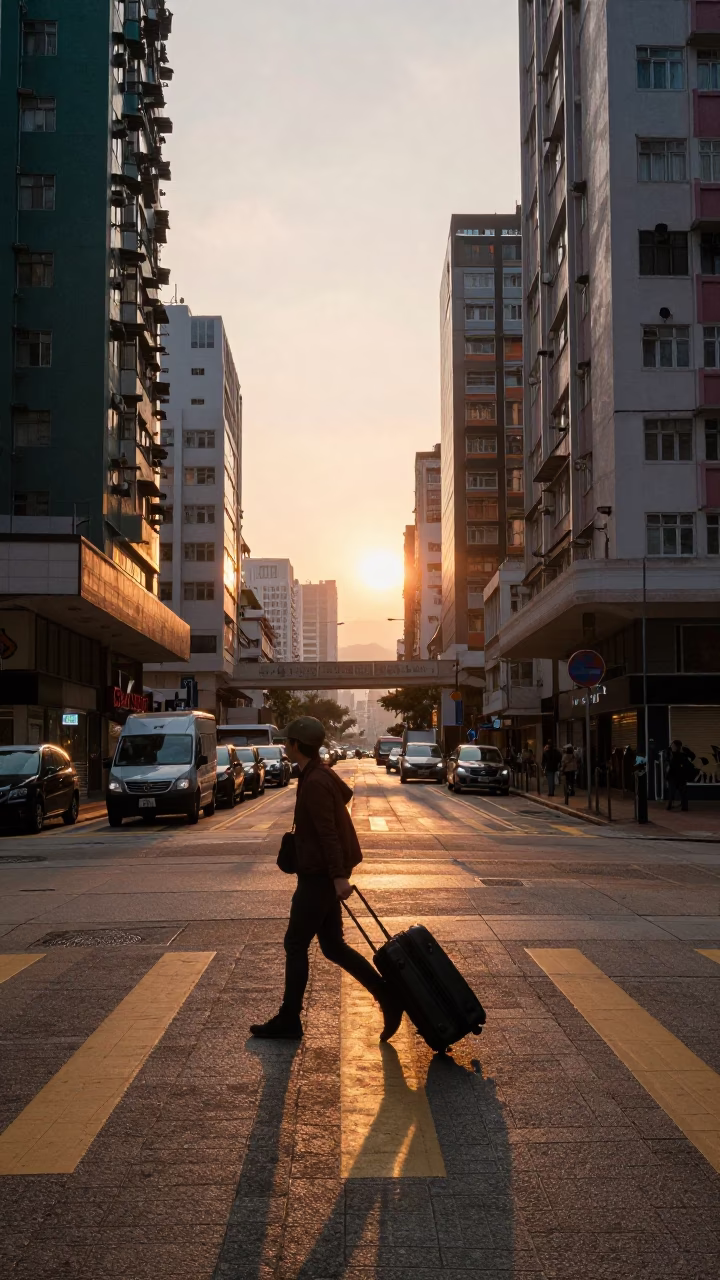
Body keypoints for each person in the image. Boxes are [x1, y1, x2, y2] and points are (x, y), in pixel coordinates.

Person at [250, 716, 403, 1041]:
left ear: (295, 745)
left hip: (319, 878)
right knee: (332, 947)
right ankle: (386, 994)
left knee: (295, 943)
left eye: (287, 741)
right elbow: (344, 797)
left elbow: (329, 833)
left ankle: (290, 1019)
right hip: (320, 875)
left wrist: (337, 878)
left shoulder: (316, 781)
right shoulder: (317, 775)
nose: (284, 746)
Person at [665, 739, 696, 812]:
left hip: (675, 775)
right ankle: (683, 806)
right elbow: (693, 756)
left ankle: (673, 806)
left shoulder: (676, 753)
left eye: (673, 745)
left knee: (675, 791)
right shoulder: (679, 754)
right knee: (681, 792)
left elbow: (693, 756)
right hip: (678, 775)